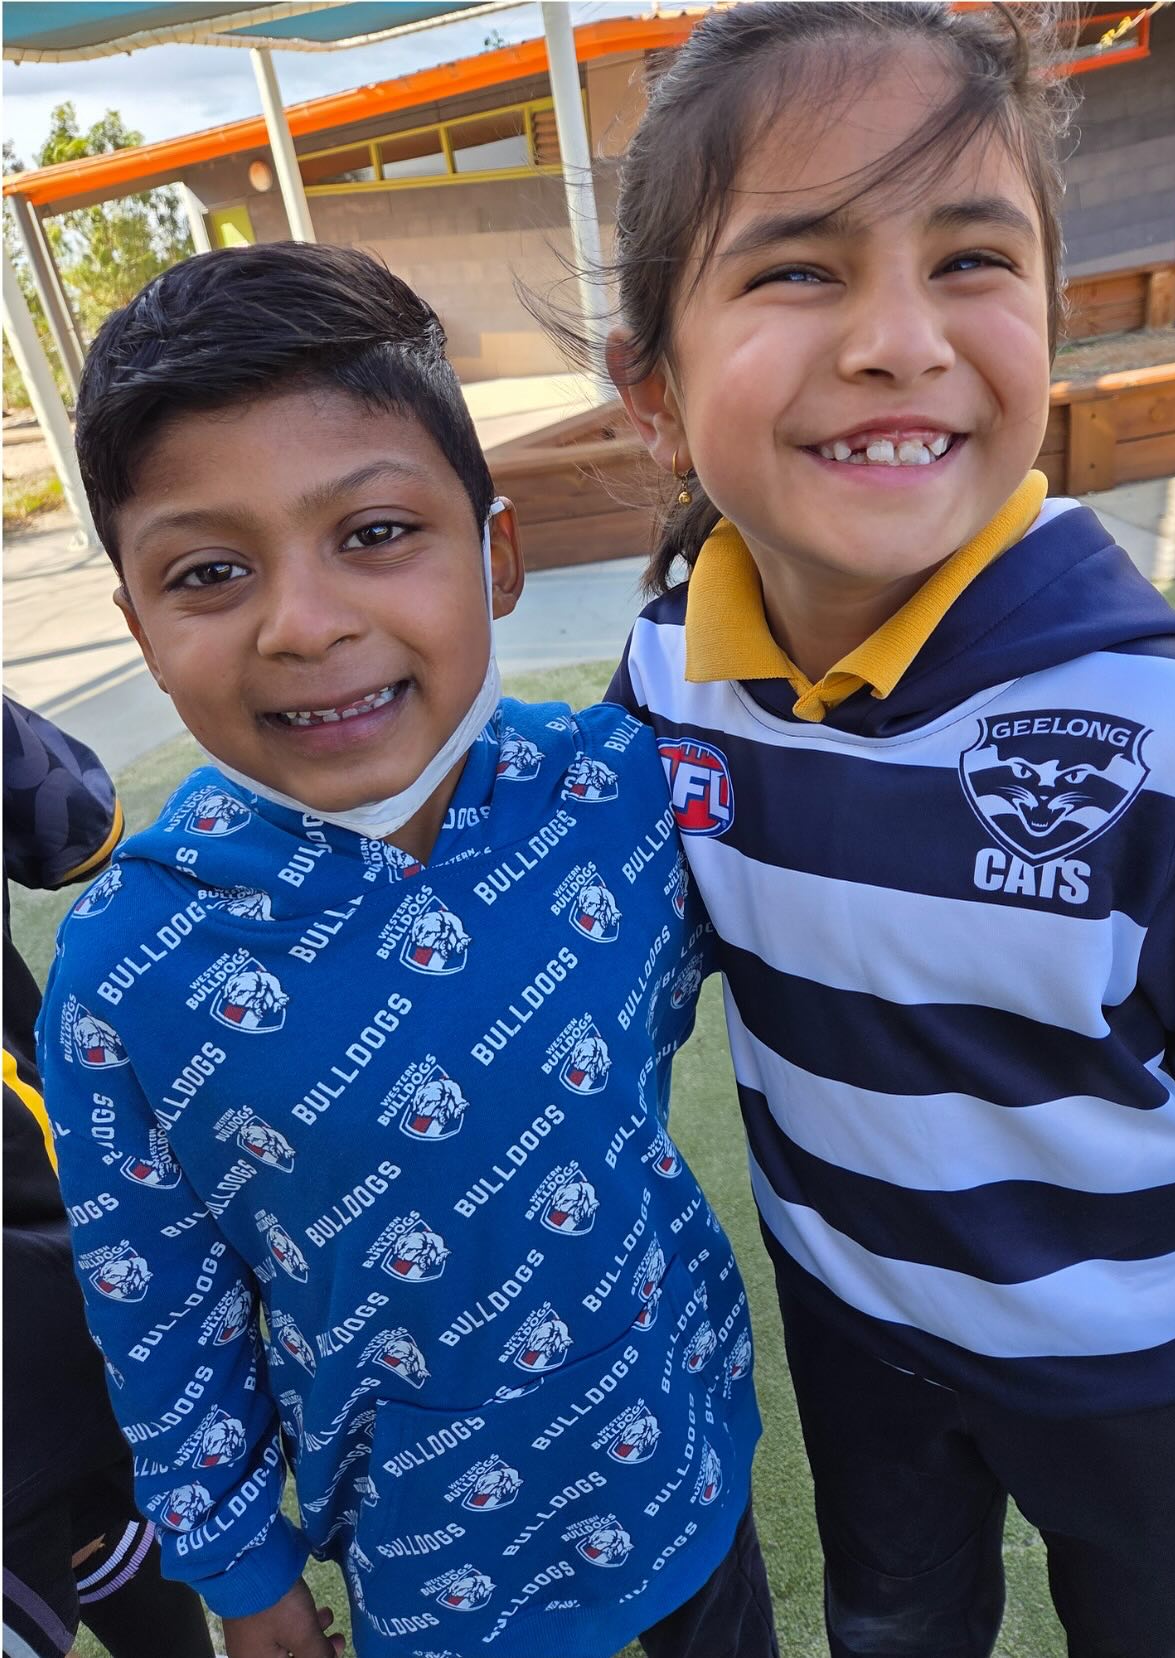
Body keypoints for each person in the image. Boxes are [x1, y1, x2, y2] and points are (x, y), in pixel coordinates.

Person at [592, 5, 1175, 1656]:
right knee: (891, 1624)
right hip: (854, 1318)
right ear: (654, 393)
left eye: (969, 258)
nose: (899, 338)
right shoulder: (664, 682)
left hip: (1156, 1370)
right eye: (798, 267)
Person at [35, 243, 777, 1658]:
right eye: (210, 570)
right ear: (140, 627)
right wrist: (244, 1580)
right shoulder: (128, 972)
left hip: (681, 1454)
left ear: (497, 556)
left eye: (374, 531)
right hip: (433, 1562)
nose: (304, 623)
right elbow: (162, 1320)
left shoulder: (624, 791)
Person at [4, 697, 216, 1658]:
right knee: (102, 1499)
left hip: (48, 1266)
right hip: (50, 1253)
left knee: (102, 1516)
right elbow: (81, 830)